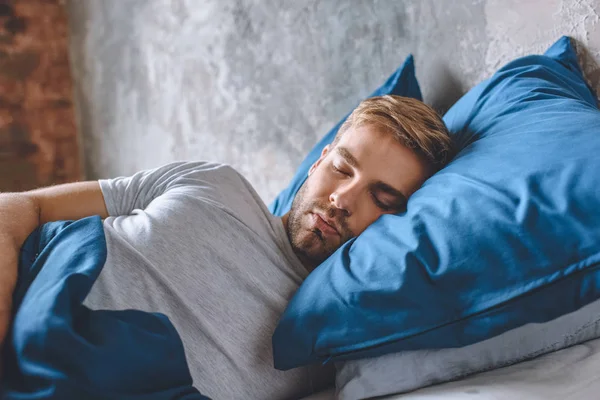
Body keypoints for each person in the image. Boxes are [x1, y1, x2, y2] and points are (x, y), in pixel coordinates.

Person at [0, 95, 451, 399]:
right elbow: (23, 207)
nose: (343, 200)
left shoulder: (338, 334)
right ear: (319, 159)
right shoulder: (212, 183)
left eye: (382, 198)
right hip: (31, 299)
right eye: (341, 168)